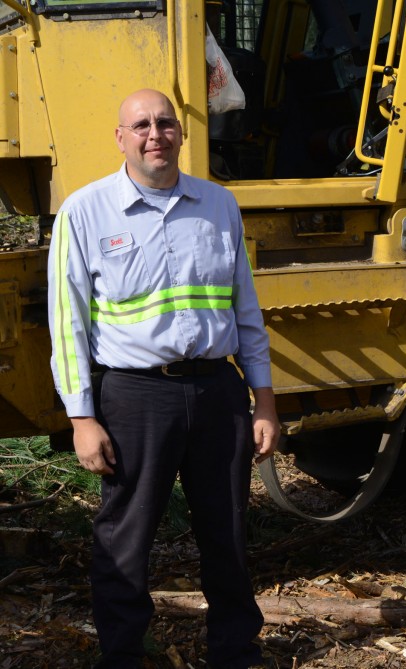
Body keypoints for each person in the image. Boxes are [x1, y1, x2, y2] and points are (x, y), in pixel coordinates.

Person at [47, 88, 280, 669]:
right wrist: (81, 418)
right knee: (125, 539)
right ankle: (123, 656)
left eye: (166, 124)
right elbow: (67, 326)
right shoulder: (85, 211)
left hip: (217, 391)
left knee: (226, 533)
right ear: (121, 138)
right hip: (134, 396)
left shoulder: (218, 205)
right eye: (142, 125)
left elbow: (245, 310)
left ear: (181, 133)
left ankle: (235, 652)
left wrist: (265, 401)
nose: (156, 134)